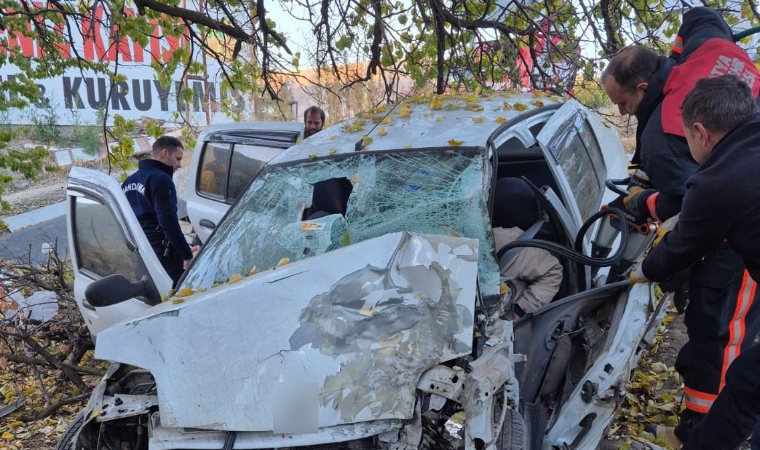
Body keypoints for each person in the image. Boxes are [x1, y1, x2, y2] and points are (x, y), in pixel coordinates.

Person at [603, 8, 760, 446]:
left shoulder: (667, 145)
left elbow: (691, 220)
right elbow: (701, 16)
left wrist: (646, 266)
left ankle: (702, 432)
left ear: (699, 132)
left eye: (623, 103)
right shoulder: (711, 48)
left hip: (737, 240)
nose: (622, 111)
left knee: (719, 327)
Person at [630, 75, 760, 449]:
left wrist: (640, 272)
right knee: (749, 384)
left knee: (747, 383)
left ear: (700, 132)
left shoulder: (717, 182)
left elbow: (679, 250)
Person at [122, 136, 194, 288]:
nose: (180, 165)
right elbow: (167, 221)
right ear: (164, 153)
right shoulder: (161, 179)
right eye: (178, 159)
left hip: (137, 250)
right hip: (162, 251)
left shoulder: (129, 182)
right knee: (179, 291)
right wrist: (186, 254)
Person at [492, 178, 563, 318]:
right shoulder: (515, 246)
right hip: (493, 319)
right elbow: (553, 270)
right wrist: (520, 310)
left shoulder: (465, 229)